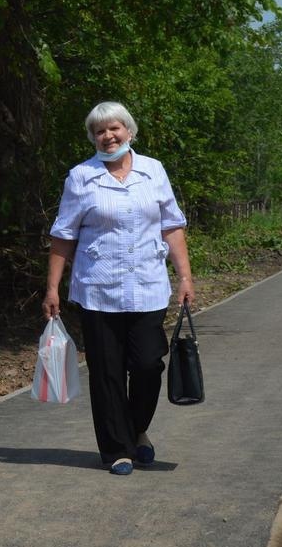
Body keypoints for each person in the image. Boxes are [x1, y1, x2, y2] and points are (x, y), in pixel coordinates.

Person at [42, 101, 194, 476]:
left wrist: (185, 277)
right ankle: (116, 450)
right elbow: (63, 236)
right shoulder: (81, 177)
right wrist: (52, 288)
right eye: (99, 131)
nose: (107, 137)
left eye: (114, 129)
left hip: (147, 287)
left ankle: (138, 429)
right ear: (93, 137)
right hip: (98, 289)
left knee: (147, 365)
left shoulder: (153, 171)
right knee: (107, 373)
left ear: (129, 131)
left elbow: (172, 225)